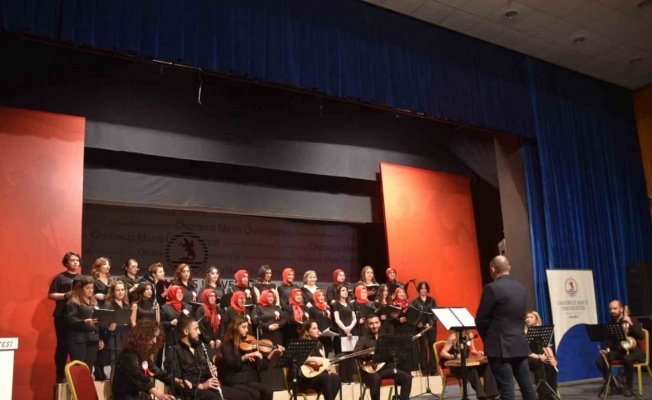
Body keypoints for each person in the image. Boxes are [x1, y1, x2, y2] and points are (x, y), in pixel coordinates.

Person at [475, 256, 535, 400]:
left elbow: (481, 320)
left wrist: (488, 338)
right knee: (528, 388)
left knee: (507, 391)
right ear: (509, 268)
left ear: (493, 269)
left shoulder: (492, 288)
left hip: (500, 347)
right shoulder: (521, 288)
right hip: (519, 344)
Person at [166, 317, 253, 400]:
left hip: (207, 386)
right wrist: (200, 386)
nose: (199, 332)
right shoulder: (174, 351)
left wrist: (210, 372)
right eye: (196, 329)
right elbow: (171, 378)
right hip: (191, 390)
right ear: (186, 331)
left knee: (246, 396)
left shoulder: (199, 347)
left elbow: (205, 370)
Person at [220, 316, 285, 400]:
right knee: (255, 394)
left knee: (268, 391)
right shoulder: (227, 345)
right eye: (244, 327)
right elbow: (231, 364)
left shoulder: (249, 345)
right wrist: (246, 356)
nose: (247, 330)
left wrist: (273, 352)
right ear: (235, 328)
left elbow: (261, 366)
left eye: (247, 327)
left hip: (248, 381)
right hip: (235, 380)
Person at [111, 319, 176, 400]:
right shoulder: (127, 355)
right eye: (153, 337)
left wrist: (177, 381)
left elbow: (156, 371)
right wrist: (159, 394)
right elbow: (139, 376)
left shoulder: (142, 355)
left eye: (156, 337)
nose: (155, 341)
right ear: (142, 336)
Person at [354, 314, 413, 400]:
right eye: (371, 324)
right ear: (366, 325)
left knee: (407, 377)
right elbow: (356, 353)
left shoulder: (386, 338)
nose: (374, 326)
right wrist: (371, 355)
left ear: (380, 323)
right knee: (376, 378)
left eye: (376, 323)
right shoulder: (363, 339)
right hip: (370, 372)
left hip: (385, 369)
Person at [595, 300, 644, 393]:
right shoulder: (611, 323)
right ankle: (613, 384)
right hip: (618, 351)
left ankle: (629, 387)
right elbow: (609, 340)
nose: (612, 311)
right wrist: (606, 350)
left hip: (633, 351)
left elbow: (641, 336)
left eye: (615, 308)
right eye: (610, 309)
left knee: (627, 358)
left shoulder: (632, 319)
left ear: (621, 309)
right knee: (600, 360)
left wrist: (630, 323)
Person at [48, 251, 81, 383]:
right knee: (62, 345)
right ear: (66, 263)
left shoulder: (82, 278)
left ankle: (77, 376)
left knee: (76, 346)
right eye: (73, 260)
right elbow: (51, 295)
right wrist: (65, 295)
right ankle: (60, 375)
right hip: (62, 315)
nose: (76, 262)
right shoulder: (60, 278)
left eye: (77, 260)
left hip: (78, 316)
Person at [439, 329, 498, 400]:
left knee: (486, 366)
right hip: (456, 366)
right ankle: (482, 396)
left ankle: (491, 394)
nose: (470, 330)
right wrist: (454, 356)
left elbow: (472, 350)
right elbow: (443, 353)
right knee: (471, 370)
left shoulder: (470, 335)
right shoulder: (454, 336)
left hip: (466, 364)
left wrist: (478, 353)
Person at [294, 320, 341, 400]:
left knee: (336, 378)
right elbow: (297, 358)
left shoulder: (319, 344)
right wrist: (313, 359)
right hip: (305, 379)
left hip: (318, 376)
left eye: (317, 328)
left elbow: (323, 361)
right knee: (326, 378)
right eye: (314, 328)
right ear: (307, 332)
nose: (317, 330)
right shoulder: (300, 344)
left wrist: (327, 368)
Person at [66, 276, 103, 377]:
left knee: (88, 368)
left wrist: (100, 338)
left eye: (92, 288)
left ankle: (86, 386)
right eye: (87, 288)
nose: (90, 290)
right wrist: (84, 322)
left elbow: (98, 322)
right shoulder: (73, 301)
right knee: (79, 367)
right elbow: (70, 319)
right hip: (79, 339)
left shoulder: (94, 302)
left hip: (93, 338)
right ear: (81, 288)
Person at [99, 279, 131, 378]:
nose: (121, 292)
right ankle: (113, 387)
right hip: (113, 337)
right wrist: (108, 327)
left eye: (122, 290)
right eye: (118, 290)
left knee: (123, 365)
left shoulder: (126, 305)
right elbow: (102, 322)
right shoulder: (109, 304)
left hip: (124, 336)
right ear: (113, 292)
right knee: (115, 365)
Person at [524, 311, 558, 400]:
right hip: (529, 356)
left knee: (550, 365)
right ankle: (543, 396)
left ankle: (551, 393)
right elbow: (524, 350)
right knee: (539, 363)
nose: (528, 319)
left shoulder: (541, 331)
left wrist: (552, 358)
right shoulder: (523, 332)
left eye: (531, 317)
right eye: (527, 317)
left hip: (540, 355)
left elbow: (546, 346)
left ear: (536, 319)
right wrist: (539, 357)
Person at [412, 281, 437, 375]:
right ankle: (425, 370)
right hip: (421, 327)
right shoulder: (415, 301)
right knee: (423, 347)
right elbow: (413, 316)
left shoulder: (432, 300)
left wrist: (430, 323)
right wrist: (418, 323)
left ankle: (433, 370)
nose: (423, 290)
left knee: (432, 347)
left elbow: (435, 314)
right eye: (422, 288)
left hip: (431, 327)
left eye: (425, 288)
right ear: (419, 289)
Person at [332, 284, 356, 383]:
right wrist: (345, 330)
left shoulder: (350, 304)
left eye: (346, 290)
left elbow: (354, 319)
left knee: (350, 355)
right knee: (343, 356)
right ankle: (343, 378)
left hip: (350, 330)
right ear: (338, 293)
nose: (345, 292)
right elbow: (337, 319)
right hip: (342, 331)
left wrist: (350, 328)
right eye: (343, 290)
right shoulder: (336, 304)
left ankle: (351, 377)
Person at [196, 289, 223, 356]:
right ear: (206, 297)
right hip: (205, 342)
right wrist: (209, 340)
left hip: (217, 341)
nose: (213, 298)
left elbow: (222, 325)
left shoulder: (218, 309)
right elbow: (201, 327)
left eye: (214, 296)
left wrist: (219, 338)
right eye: (210, 296)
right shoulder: (200, 310)